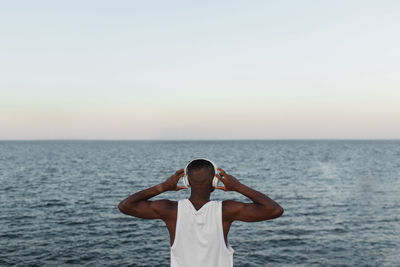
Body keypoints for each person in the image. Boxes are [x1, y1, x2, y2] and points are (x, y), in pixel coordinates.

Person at [118, 159, 284, 267]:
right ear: (214, 182)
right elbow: (275, 210)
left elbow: (125, 205)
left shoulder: (170, 210)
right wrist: (239, 187)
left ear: (186, 181)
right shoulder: (226, 211)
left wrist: (163, 186)